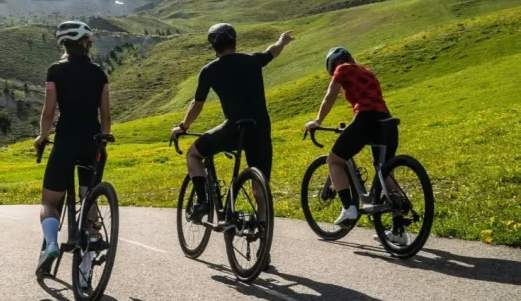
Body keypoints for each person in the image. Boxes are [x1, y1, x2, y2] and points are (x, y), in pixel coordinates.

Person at [170, 24, 293, 222]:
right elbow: (272, 52)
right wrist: (282, 41)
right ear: (235, 42)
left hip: (233, 129)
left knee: (193, 154)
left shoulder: (209, 70)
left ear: (213, 47)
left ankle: (202, 202)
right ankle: (262, 225)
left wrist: (183, 127)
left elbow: (197, 105)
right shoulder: (252, 60)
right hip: (260, 127)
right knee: (259, 183)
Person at [302, 47, 404, 244]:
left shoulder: (342, 69)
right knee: (385, 172)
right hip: (387, 122)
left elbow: (330, 96)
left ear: (333, 65)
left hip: (366, 120)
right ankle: (399, 230)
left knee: (334, 161)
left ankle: (349, 207)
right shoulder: (367, 71)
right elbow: (371, 101)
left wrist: (318, 120)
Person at [34, 20, 111, 279]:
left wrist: (42, 137)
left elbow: (48, 112)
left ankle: (52, 245)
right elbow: (106, 113)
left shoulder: (55, 71)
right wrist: (103, 136)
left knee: (49, 201)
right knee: (88, 197)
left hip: (66, 138)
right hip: (92, 138)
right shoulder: (100, 73)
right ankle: (87, 261)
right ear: (84, 42)